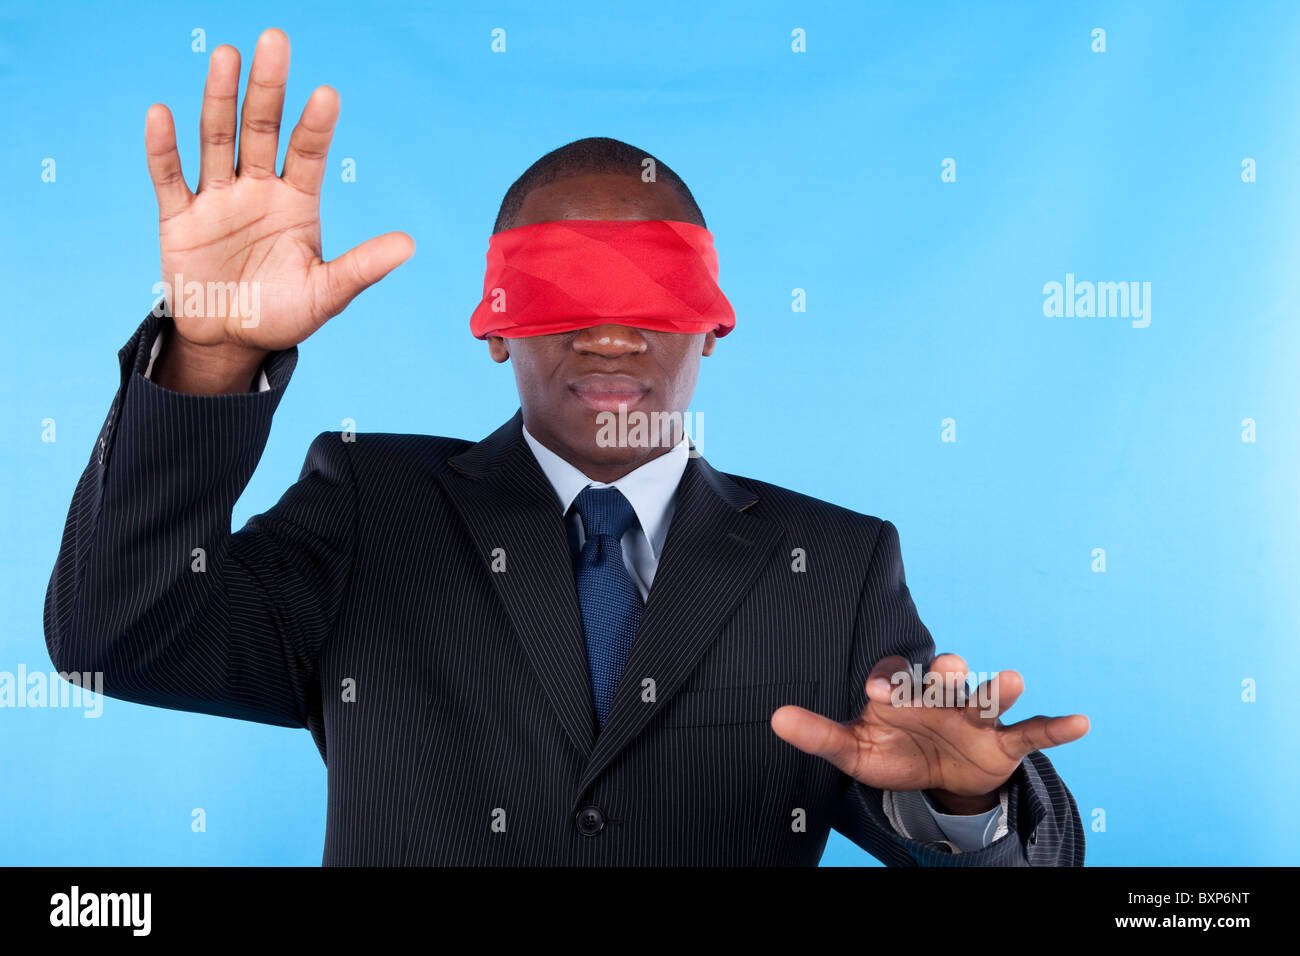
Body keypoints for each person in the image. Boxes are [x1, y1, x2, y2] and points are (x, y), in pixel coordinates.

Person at [44, 28, 1089, 866]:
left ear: (712, 324)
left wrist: (965, 799)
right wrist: (211, 351)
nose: (608, 333)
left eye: (649, 298)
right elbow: (115, 631)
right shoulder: (372, 506)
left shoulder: (835, 566)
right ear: (495, 327)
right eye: (562, 298)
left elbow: (957, 804)